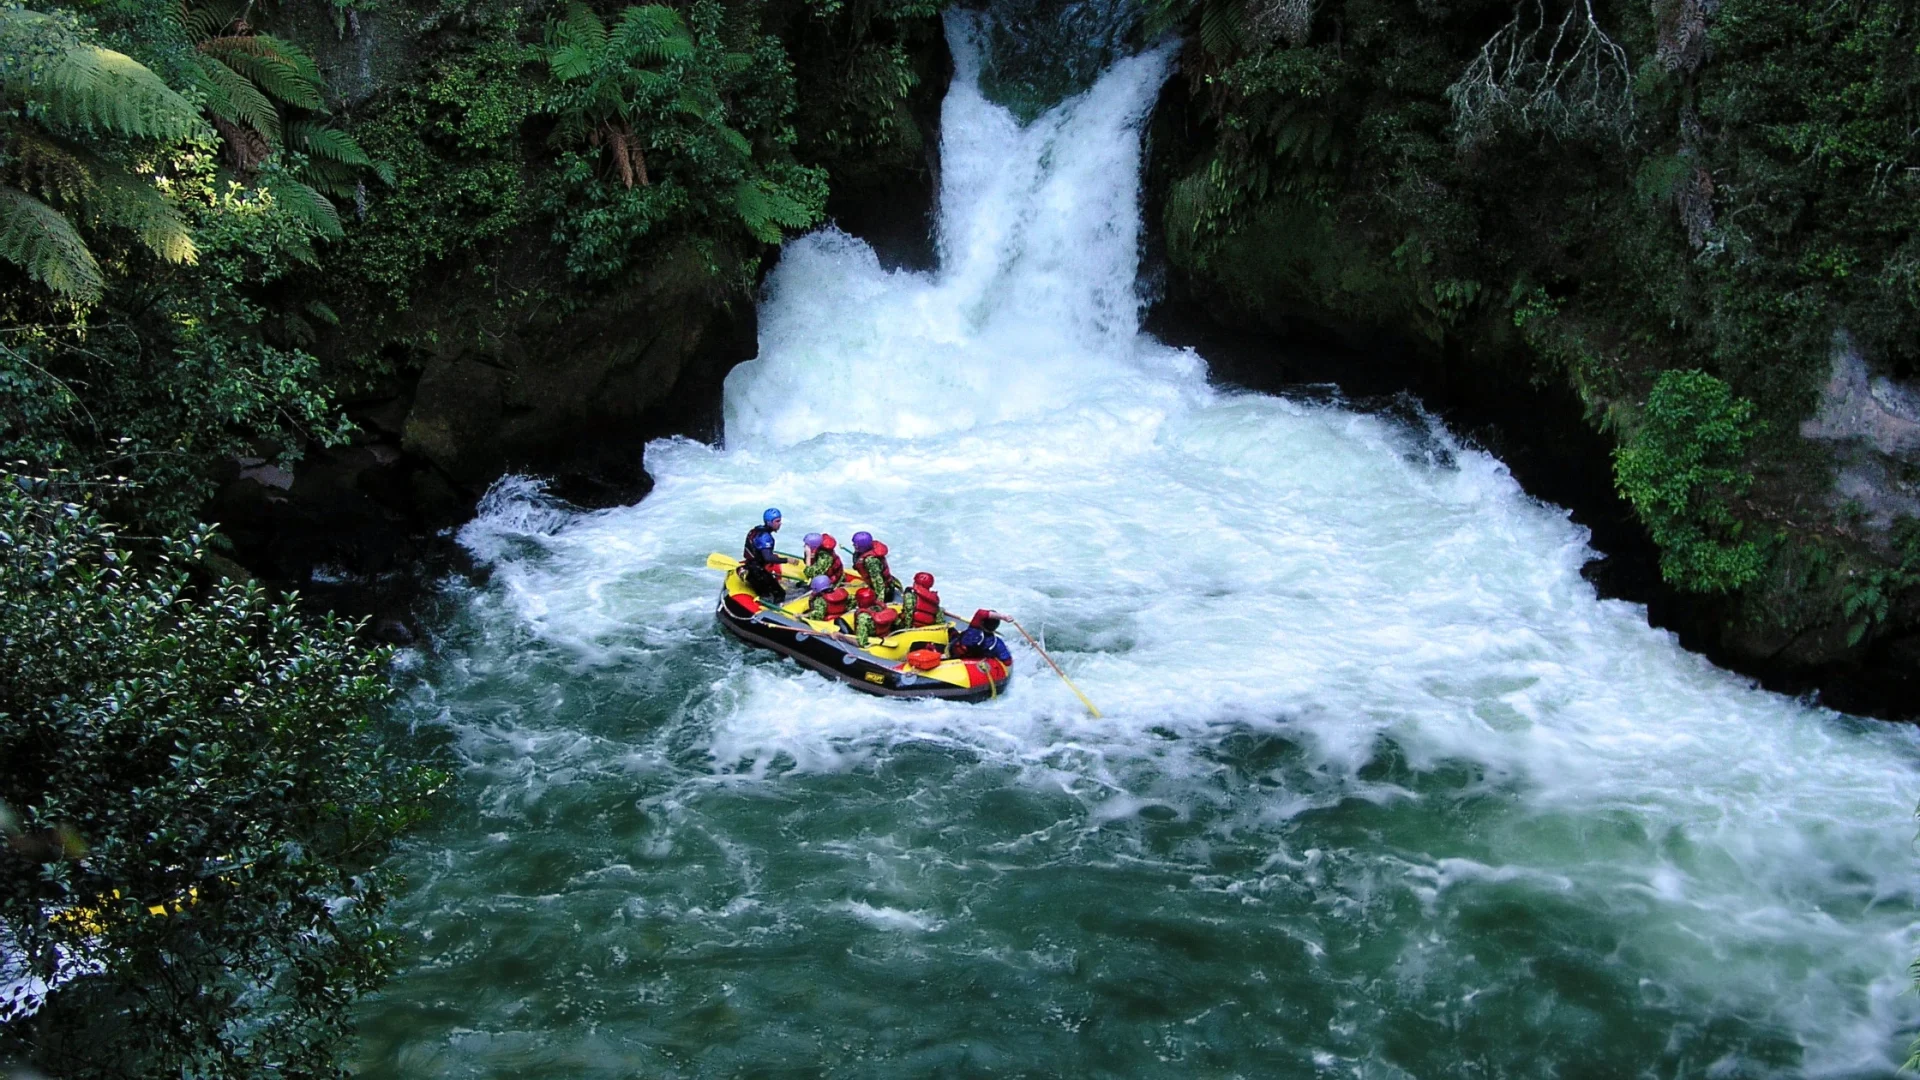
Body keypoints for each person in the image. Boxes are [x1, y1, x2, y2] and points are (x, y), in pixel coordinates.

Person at [741, 507, 784, 598]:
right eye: (777, 521)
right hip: (757, 572)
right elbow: (767, 557)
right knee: (779, 594)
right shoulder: (765, 537)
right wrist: (787, 560)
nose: (780, 523)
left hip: (752, 567)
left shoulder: (756, 530)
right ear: (769, 522)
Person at [850, 531, 899, 601]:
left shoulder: (871, 561)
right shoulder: (867, 553)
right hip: (879, 585)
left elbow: (878, 582)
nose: (853, 546)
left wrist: (880, 601)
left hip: (885, 590)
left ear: (862, 547)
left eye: (856, 545)